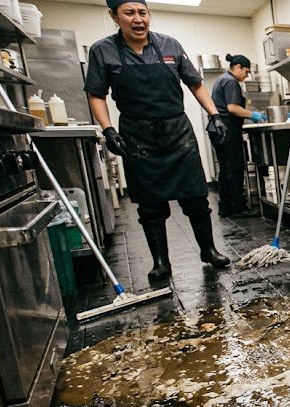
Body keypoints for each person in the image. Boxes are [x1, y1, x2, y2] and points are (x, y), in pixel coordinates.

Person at [85, 0, 231, 283]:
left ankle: (209, 250)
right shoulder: (102, 50)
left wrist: (215, 115)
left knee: (196, 197)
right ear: (114, 16)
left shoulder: (170, 45)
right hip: (137, 134)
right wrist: (108, 130)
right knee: (150, 204)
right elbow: (96, 94)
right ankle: (161, 262)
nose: (137, 19)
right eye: (129, 13)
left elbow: (195, 84)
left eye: (142, 12)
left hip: (177, 130)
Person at [210, 53, 265, 218]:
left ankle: (225, 207)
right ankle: (239, 208)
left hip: (218, 130)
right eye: (246, 72)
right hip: (227, 131)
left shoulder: (222, 79)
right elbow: (232, 107)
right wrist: (253, 115)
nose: (247, 76)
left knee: (225, 170)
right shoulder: (230, 81)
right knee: (234, 169)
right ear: (238, 67)